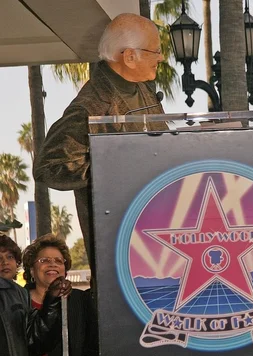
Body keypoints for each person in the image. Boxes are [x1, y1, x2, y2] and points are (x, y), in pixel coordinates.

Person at [33, 13, 169, 274]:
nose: (160, 57)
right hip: (119, 245)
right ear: (129, 56)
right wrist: (111, 167)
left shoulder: (144, 91)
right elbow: (48, 167)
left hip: (158, 230)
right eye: (156, 51)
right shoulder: (91, 106)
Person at [22, 234, 99, 356]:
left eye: (58, 261)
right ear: (31, 269)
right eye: (44, 261)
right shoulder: (16, 302)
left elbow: (94, 353)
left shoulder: (81, 301)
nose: (52, 264)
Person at [0, 236, 71, 356]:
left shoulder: (18, 294)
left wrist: (52, 301)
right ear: (31, 269)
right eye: (44, 260)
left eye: (10, 257)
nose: (4, 262)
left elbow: (34, 341)